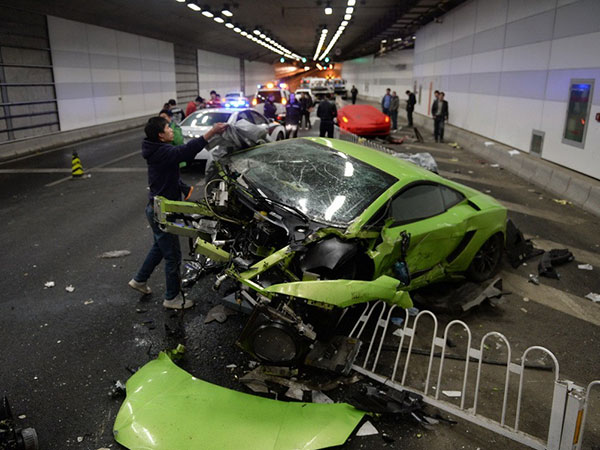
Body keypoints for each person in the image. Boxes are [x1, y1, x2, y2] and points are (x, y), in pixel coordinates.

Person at [128, 116, 227, 309]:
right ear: (160, 135)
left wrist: (182, 187)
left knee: (159, 247)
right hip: (163, 212)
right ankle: (171, 298)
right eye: (168, 128)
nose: (172, 130)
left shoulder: (155, 149)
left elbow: (166, 173)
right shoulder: (162, 151)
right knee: (173, 255)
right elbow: (185, 152)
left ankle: (139, 280)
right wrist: (212, 132)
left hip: (157, 207)